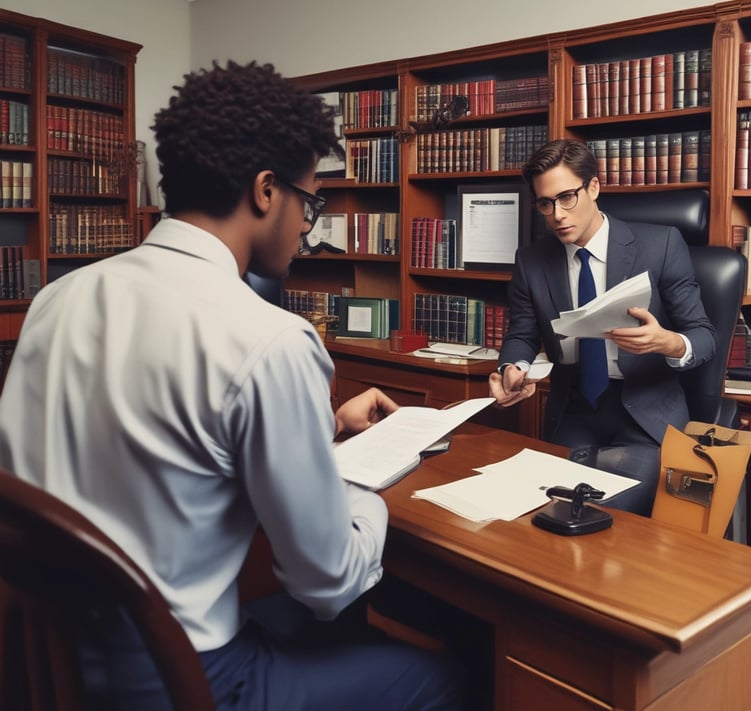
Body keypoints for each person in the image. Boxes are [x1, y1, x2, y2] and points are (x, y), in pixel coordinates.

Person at [0, 60, 464, 710]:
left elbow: (144, 437)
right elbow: (326, 581)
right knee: (439, 677)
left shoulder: (57, 298)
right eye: (311, 202)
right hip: (185, 682)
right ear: (267, 191)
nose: (310, 225)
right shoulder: (268, 338)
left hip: (46, 663)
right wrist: (358, 489)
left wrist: (321, 427)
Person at [488, 139, 716, 516]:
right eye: (546, 203)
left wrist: (668, 342)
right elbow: (522, 333)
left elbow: (704, 335)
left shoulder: (659, 245)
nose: (557, 214)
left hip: (645, 415)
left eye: (567, 197)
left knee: (605, 513)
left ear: (593, 187)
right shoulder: (532, 261)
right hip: (576, 410)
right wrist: (512, 368)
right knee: (542, 510)